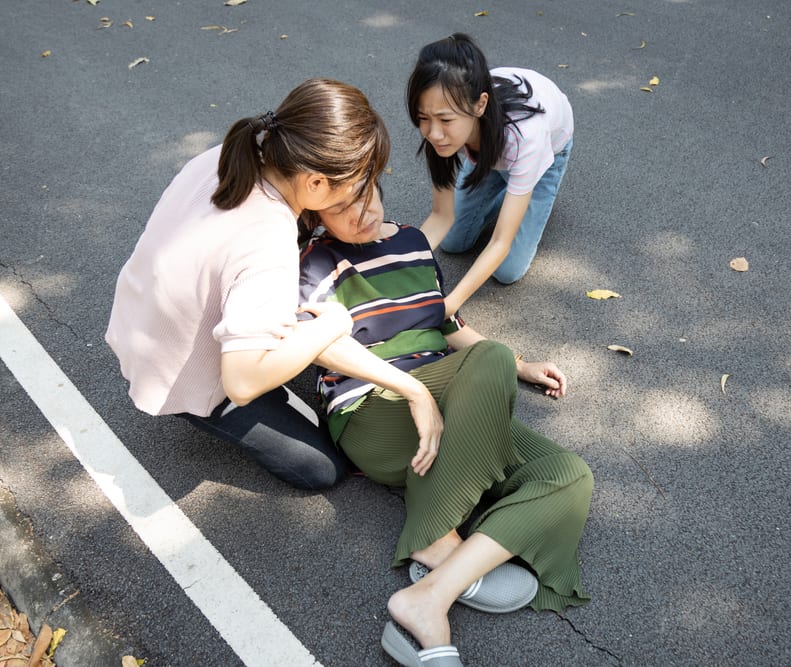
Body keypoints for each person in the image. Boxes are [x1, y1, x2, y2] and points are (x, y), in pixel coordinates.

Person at [298, 184, 593, 666]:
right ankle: (438, 532)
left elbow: (446, 322)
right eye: (339, 207)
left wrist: (520, 364)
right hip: (373, 409)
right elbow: (318, 345)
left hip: (445, 396)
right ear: (313, 213)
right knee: (488, 359)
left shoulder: (412, 240)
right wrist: (422, 388)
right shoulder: (312, 261)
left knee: (568, 474)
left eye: (366, 194)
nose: (362, 211)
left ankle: (432, 593)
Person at [105, 78, 390, 490]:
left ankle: (255, 334)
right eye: (355, 182)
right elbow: (241, 384)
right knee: (322, 467)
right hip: (182, 372)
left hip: (140, 322)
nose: (362, 193)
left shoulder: (229, 155)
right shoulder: (268, 241)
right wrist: (331, 325)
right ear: (314, 182)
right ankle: (224, 386)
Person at [406, 33, 574, 316]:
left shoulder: (526, 138)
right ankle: (513, 195)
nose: (433, 133)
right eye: (424, 118)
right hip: (485, 147)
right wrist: (397, 266)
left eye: (446, 119)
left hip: (542, 150)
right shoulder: (444, 129)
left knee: (508, 270)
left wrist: (450, 305)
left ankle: (523, 194)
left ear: (479, 105)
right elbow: (440, 217)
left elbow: (500, 243)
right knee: (453, 242)